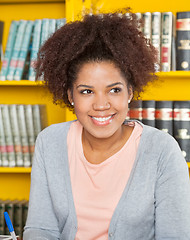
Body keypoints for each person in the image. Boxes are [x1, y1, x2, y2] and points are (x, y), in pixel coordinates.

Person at [23, 11, 190, 240]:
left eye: (114, 90)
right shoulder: (49, 142)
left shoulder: (162, 151)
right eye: (87, 91)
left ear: (130, 92)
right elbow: (40, 230)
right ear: (70, 95)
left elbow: (175, 236)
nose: (101, 105)